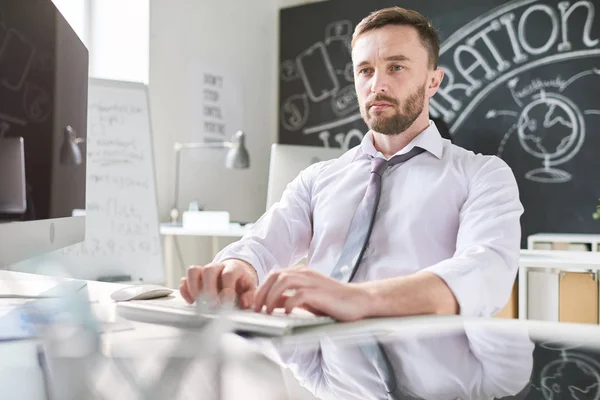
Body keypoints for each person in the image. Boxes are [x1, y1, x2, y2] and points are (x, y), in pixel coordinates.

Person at [180, 7, 523, 322]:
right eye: (365, 71)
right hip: (322, 373)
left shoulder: (483, 175)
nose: (377, 85)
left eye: (396, 67)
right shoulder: (317, 180)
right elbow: (262, 243)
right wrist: (238, 266)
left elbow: (484, 272)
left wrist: (357, 298)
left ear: (433, 81)